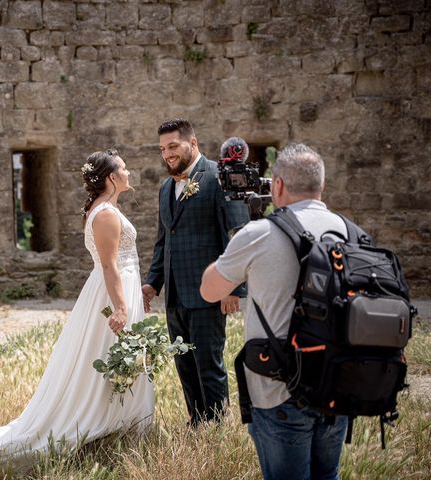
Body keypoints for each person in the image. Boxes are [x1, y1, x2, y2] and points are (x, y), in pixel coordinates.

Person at [0, 149, 154, 471]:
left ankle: (120, 423)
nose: (129, 172)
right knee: (111, 356)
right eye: (124, 168)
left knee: (121, 357)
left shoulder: (105, 208)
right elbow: (109, 265)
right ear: (111, 177)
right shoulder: (104, 213)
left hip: (122, 288)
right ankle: (97, 423)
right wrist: (120, 307)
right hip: (111, 294)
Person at [200, 143, 348, 479]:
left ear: (276, 186)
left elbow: (210, 291)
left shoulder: (259, 234)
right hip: (338, 383)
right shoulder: (348, 231)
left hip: (279, 387)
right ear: (321, 186)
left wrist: (239, 242)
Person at [142, 119, 241, 426]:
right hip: (174, 292)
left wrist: (233, 288)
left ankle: (217, 424)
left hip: (209, 289)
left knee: (208, 361)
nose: (167, 154)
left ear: (192, 144)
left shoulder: (217, 177)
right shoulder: (165, 187)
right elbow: (164, 241)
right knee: (184, 362)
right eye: (162, 149)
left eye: (173, 146)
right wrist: (152, 284)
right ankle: (197, 421)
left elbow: (234, 237)